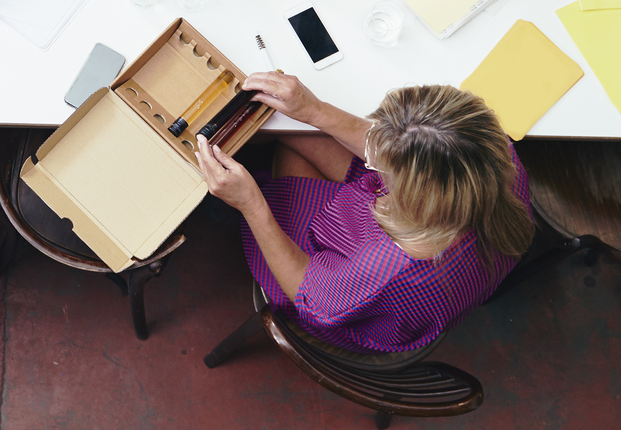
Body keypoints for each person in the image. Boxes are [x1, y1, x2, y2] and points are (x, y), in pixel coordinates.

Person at [195, 75, 534, 356]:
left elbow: (307, 294)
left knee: (281, 148)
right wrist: (314, 110)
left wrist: (250, 203)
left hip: (341, 300)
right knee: (288, 130)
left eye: (385, 164)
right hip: (420, 234)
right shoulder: (491, 154)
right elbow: (395, 148)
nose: (374, 155)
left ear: (409, 193)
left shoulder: (386, 269)